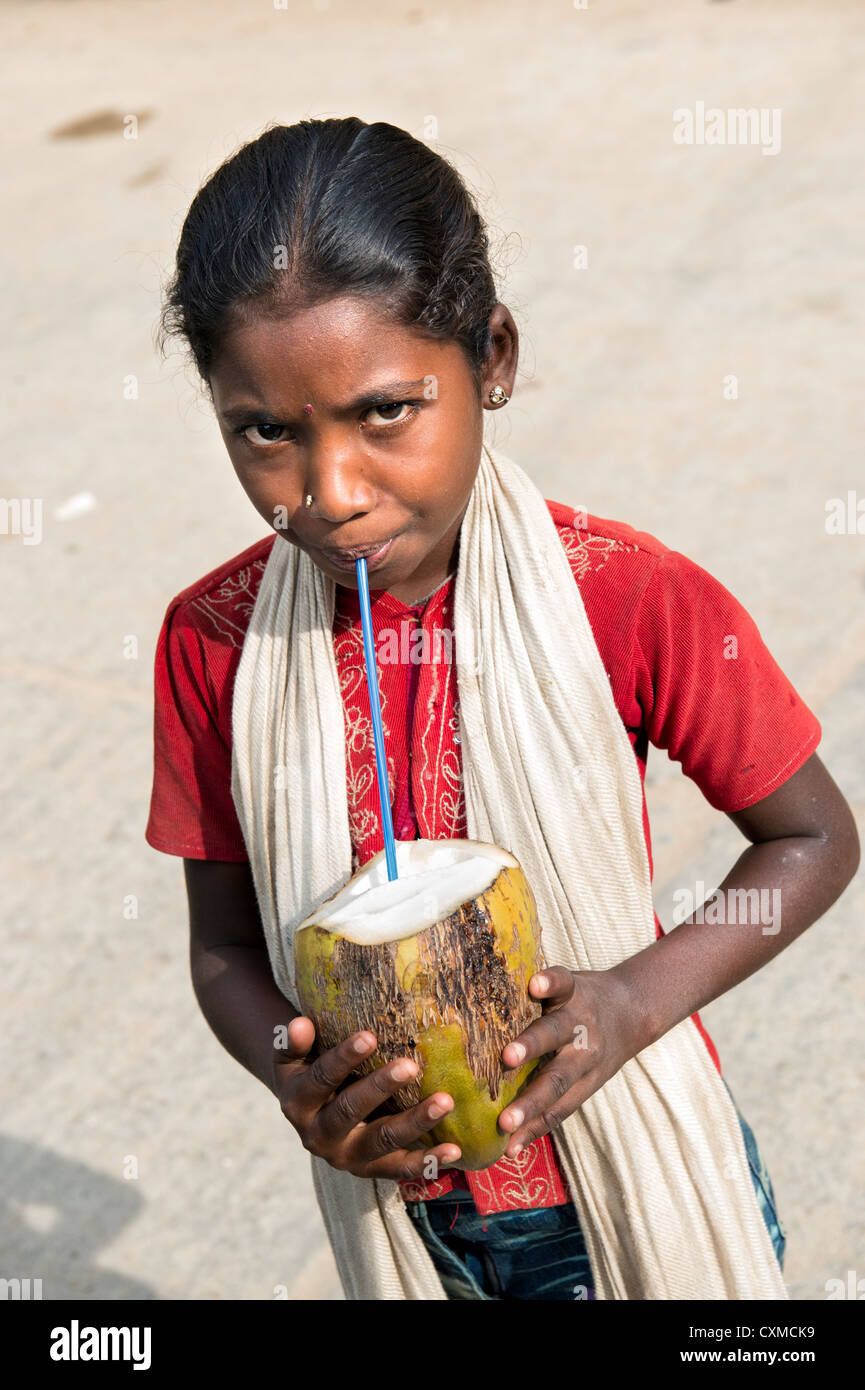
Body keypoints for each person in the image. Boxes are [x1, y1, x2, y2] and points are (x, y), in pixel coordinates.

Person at [145, 117, 859, 1300]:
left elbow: (813, 838)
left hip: (627, 1172)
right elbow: (223, 945)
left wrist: (632, 1002)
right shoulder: (216, 642)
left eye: (386, 411)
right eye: (267, 431)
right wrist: (297, 1072)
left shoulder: (623, 597)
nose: (330, 493)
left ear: (494, 359)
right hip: (408, 1219)